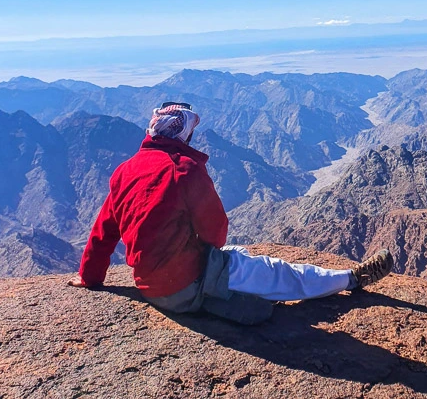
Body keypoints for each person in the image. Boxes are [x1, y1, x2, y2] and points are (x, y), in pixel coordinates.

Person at [68, 102, 393, 324]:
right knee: (276, 272)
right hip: (185, 286)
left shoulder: (124, 171)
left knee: (240, 258)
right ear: (184, 135)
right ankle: (349, 279)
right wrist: (205, 258)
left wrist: (90, 277)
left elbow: (103, 232)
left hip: (150, 288)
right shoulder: (184, 169)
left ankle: (229, 294)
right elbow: (216, 233)